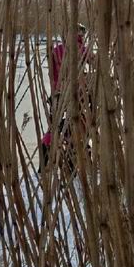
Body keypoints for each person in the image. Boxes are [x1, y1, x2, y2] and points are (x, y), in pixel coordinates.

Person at [41, 24, 90, 168]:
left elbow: (52, 72)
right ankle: (73, 162)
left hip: (57, 95)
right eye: (82, 34)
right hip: (75, 95)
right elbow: (94, 61)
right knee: (78, 125)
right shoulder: (80, 48)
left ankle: (44, 164)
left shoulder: (56, 50)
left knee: (53, 128)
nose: (83, 36)